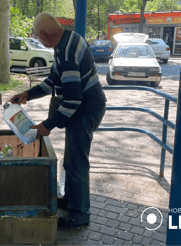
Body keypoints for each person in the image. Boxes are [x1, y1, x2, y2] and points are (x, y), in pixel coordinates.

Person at [9, 12, 107, 229]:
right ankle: (71, 199)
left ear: (44, 35)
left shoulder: (68, 51)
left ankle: (80, 214)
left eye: (37, 35)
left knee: (77, 163)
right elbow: (54, 79)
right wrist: (29, 93)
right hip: (80, 108)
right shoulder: (66, 41)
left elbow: (73, 99)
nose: (38, 38)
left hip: (85, 110)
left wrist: (47, 125)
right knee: (71, 159)